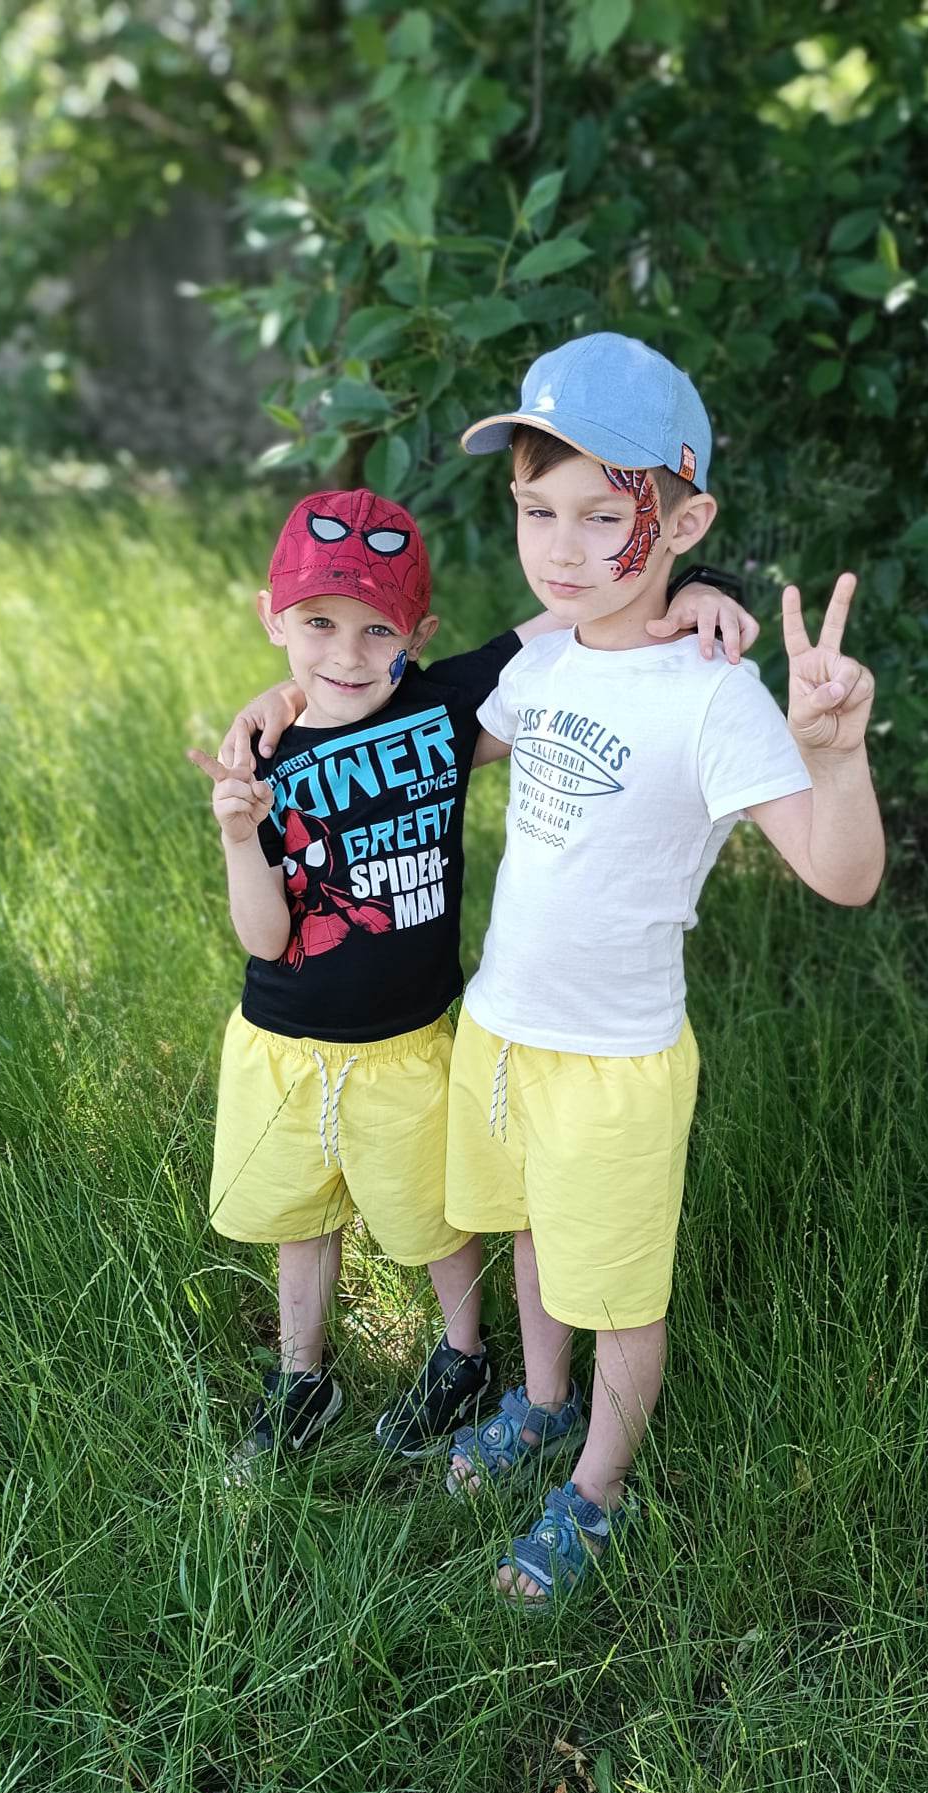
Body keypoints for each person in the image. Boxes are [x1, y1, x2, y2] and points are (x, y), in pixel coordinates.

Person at [438, 332, 885, 1603]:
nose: (563, 546)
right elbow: (432, 733)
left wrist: (835, 755)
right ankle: (540, 1400)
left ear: (683, 522)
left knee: (621, 1285)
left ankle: (598, 1486)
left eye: (603, 515)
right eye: (537, 510)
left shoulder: (714, 693)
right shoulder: (541, 660)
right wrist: (295, 701)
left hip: (618, 1056)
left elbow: (843, 874)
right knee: (532, 1229)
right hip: (503, 1025)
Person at [201, 483, 756, 1474]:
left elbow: (579, 616)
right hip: (285, 1035)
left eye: (378, 630)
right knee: (300, 1216)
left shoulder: (447, 703)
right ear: (271, 618)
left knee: (435, 1217)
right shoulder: (266, 755)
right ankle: (302, 1376)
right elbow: (264, 933)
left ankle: (463, 1354)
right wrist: (241, 833)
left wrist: (699, 585)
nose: (346, 655)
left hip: (412, 1040)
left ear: (419, 635)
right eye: (317, 624)